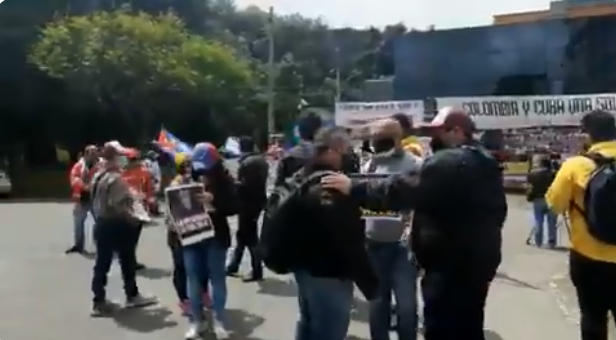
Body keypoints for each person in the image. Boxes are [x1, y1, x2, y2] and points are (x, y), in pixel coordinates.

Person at [321, 108, 507, 340]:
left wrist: (355, 188)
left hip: (450, 266)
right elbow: (500, 212)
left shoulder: (447, 162)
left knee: (442, 327)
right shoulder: (484, 161)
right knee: (469, 324)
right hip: (478, 261)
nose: (433, 139)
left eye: (438, 132)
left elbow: (405, 190)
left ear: (457, 131)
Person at [283, 126, 378, 340]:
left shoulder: (302, 176)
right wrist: (370, 284)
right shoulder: (332, 186)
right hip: (329, 273)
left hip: (303, 269)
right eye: (344, 151)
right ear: (331, 150)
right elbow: (348, 240)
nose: (347, 157)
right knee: (329, 332)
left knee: (307, 325)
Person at [545, 110, 616, 340]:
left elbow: (554, 204)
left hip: (589, 257)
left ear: (588, 134)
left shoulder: (576, 165)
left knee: (593, 318)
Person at [363, 118, 422, 340]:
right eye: (375, 139)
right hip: (373, 244)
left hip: (402, 246)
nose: (378, 144)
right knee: (378, 302)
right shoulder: (370, 165)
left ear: (398, 138)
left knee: (406, 304)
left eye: (383, 139)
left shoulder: (415, 165)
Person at [89, 142, 157, 316]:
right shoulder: (115, 179)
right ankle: (132, 295)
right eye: (121, 156)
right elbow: (121, 206)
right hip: (117, 224)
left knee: (101, 263)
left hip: (102, 223)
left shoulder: (98, 176)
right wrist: (137, 218)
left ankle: (98, 301)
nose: (124, 160)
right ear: (114, 158)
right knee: (126, 260)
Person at [182, 142, 238, 339]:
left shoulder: (226, 181)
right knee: (194, 280)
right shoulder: (188, 177)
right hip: (191, 235)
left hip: (216, 236)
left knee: (217, 279)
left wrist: (213, 201)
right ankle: (196, 321)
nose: (202, 169)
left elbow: (233, 207)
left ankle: (219, 320)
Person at [165, 153, 210, 316]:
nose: (190, 167)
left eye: (191, 164)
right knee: (181, 267)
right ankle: (184, 300)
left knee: (201, 264)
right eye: (186, 164)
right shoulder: (175, 184)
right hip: (177, 233)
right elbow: (172, 211)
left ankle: (203, 293)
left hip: (195, 231)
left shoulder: (195, 182)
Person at [226, 136, 269, 282]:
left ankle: (257, 270)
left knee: (250, 237)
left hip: (247, 204)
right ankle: (234, 265)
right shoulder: (261, 160)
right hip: (257, 202)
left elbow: (245, 186)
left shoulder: (247, 163)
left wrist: (232, 183)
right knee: (242, 235)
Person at [122, 149, 154, 270]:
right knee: (129, 237)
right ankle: (129, 261)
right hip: (128, 209)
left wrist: (149, 203)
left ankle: (130, 260)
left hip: (136, 209)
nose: (132, 162)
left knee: (132, 237)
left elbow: (149, 190)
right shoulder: (122, 173)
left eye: (133, 159)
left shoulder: (143, 173)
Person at [66, 145, 101, 254]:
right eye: (92, 153)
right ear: (86, 154)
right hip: (81, 197)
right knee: (78, 223)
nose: (95, 156)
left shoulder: (101, 166)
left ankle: (101, 245)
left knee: (100, 223)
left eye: (96, 153)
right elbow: (73, 178)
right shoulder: (79, 166)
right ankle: (78, 245)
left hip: (96, 198)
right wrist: (83, 185)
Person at [274, 112, 323, 186]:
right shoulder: (328, 157)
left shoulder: (287, 158)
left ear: (299, 132)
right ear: (320, 131)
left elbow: (279, 187)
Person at [526, 155, 557, 248]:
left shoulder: (532, 173)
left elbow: (529, 185)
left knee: (538, 220)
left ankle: (538, 241)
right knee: (551, 222)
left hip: (537, 198)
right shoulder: (553, 173)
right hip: (551, 199)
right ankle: (551, 242)